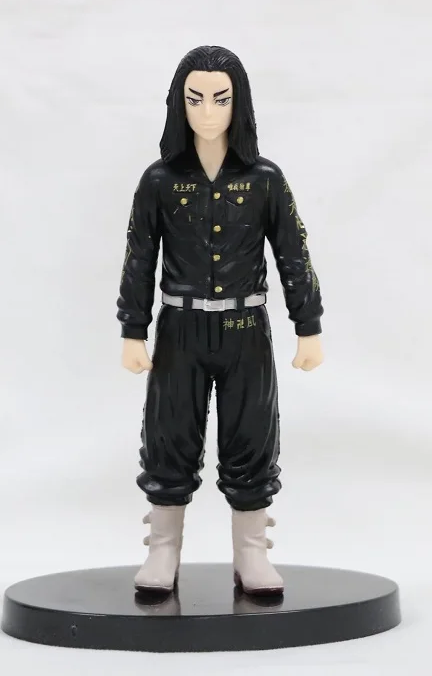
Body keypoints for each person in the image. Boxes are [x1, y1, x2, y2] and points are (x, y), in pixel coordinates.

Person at [117, 45, 324, 595]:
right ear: (178, 104)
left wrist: (308, 325)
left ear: (240, 103)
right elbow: (139, 258)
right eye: (195, 99)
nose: (208, 112)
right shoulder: (160, 181)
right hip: (179, 330)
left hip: (245, 329)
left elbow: (293, 254)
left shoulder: (264, 179)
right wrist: (133, 330)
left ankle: (251, 551)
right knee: (169, 435)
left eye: (220, 99)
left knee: (251, 435)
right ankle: (163, 548)